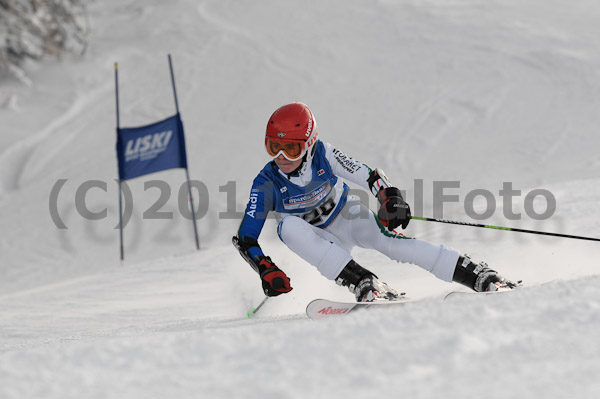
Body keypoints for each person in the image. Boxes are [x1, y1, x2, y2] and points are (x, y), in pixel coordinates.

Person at [233, 102, 517, 302]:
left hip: (345, 216)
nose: (281, 156)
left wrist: (389, 197)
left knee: (391, 243)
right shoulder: (266, 183)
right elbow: (246, 237)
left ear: (308, 144)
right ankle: (364, 282)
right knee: (288, 228)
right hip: (314, 237)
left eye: (291, 148)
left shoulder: (324, 154)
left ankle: (476, 274)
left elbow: (367, 175)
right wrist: (265, 268)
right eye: (274, 146)